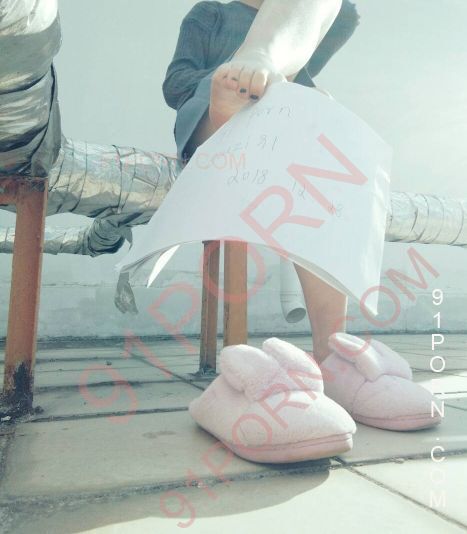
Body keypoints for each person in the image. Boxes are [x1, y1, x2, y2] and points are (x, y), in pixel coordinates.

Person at [163, 0, 441, 463]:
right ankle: (228, 111)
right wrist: (223, 81)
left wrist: (289, 54)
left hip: (286, 137)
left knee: (328, 191)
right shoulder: (211, 13)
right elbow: (175, 85)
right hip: (216, 128)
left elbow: (345, 16)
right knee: (238, 104)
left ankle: (332, 358)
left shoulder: (300, 20)